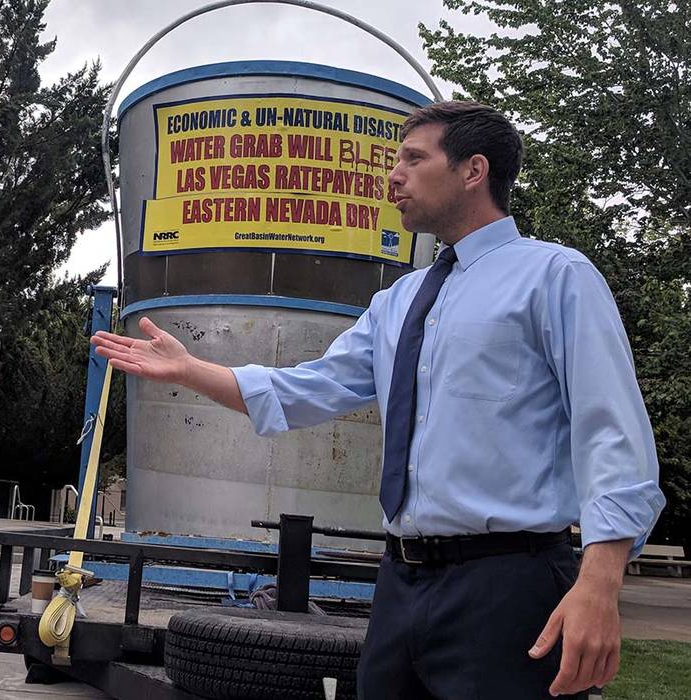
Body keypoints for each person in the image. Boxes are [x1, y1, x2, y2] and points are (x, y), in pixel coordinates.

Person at [91, 101, 666, 699]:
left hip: (509, 584)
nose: (393, 175)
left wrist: (599, 585)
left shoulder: (555, 276)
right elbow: (306, 389)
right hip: (400, 586)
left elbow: (612, 432)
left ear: (474, 170)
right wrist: (191, 367)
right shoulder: (398, 301)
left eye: (414, 159)